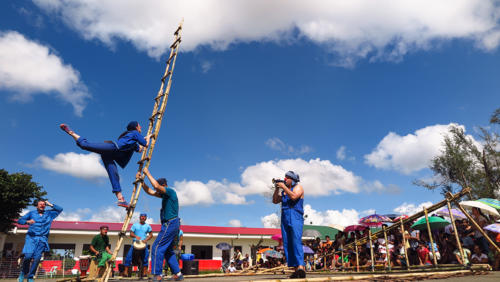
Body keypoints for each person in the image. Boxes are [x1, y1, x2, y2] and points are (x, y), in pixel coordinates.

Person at [60, 121, 151, 208]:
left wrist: (145, 139)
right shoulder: (135, 133)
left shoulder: (133, 141)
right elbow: (145, 144)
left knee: (114, 174)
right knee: (85, 145)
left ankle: (120, 199)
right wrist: (148, 138)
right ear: (136, 127)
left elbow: (140, 149)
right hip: (112, 148)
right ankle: (71, 133)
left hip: (109, 155)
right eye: (139, 126)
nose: (141, 127)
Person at [138, 167, 183, 281]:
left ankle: (157, 274)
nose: (156, 190)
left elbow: (156, 187)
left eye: (157, 187)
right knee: (167, 251)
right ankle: (177, 274)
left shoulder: (170, 191)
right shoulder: (164, 195)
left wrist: (147, 173)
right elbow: (150, 192)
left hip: (170, 223)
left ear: (163, 185)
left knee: (157, 247)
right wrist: (142, 182)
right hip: (171, 224)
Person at [17, 200, 62, 282]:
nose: (42, 205)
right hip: (31, 238)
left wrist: (50, 204)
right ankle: (23, 272)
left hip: (42, 239)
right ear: (37, 206)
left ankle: (30, 276)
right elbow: (20, 221)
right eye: (40, 204)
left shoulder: (49, 214)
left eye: (44, 204)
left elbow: (60, 209)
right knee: (28, 256)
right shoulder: (31, 213)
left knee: (37, 258)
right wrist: (27, 221)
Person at [272, 171, 305, 278]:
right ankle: (296, 270)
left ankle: (301, 267)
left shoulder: (298, 187)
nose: (285, 180)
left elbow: (294, 196)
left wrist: (283, 187)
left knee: (296, 241)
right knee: (287, 243)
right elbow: (275, 201)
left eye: (287, 178)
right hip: (285, 217)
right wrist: (277, 188)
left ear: (292, 179)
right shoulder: (284, 192)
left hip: (295, 216)